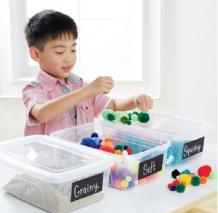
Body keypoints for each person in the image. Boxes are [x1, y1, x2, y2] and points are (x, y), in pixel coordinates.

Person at [22, 10, 153, 136]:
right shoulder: (34, 89)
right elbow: (43, 114)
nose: (69, 58)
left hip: (82, 155)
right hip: (49, 158)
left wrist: (135, 100)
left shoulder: (79, 85)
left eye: (73, 50)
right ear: (36, 54)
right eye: (60, 52)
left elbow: (112, 106)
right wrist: (85, 92)